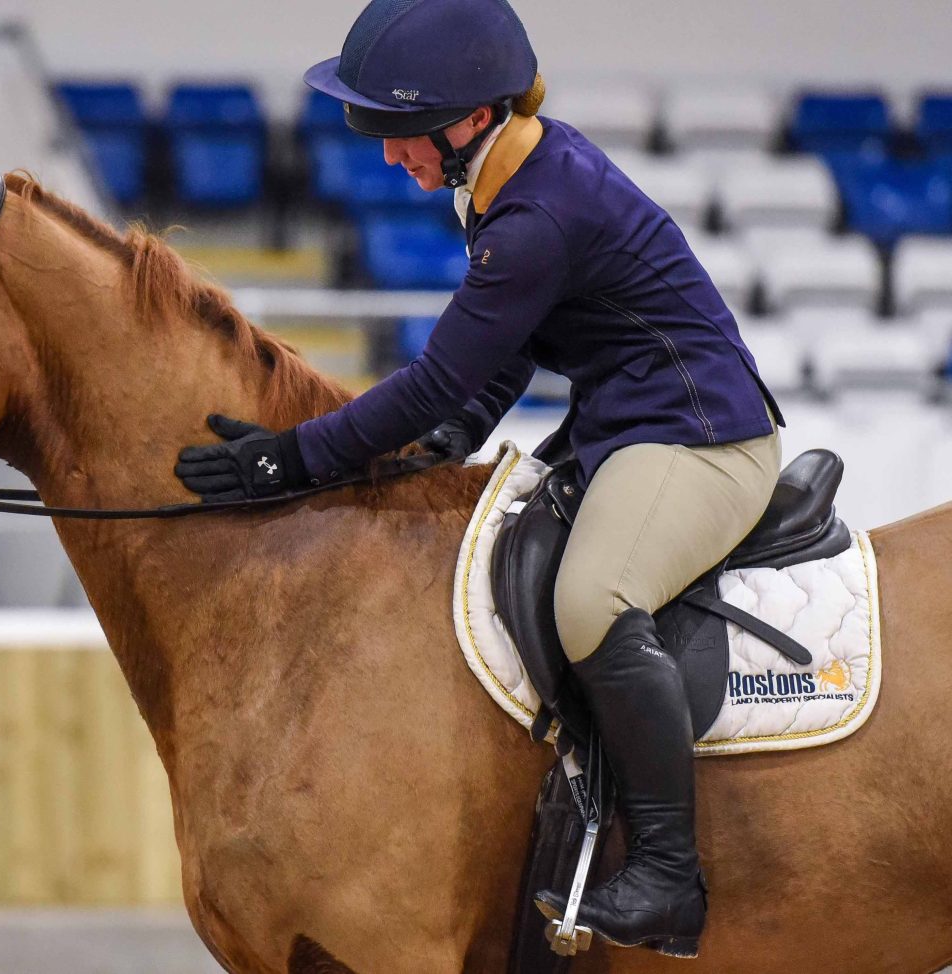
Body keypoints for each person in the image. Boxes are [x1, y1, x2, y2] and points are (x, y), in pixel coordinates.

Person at [171, 0, 783, 957]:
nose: (389, 156)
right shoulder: (515, 176)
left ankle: (669, 874)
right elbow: (507, 348)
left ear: (469, 119)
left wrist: (287, 459)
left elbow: (432, 380)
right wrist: (462, 429)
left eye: (401, 133)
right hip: (628, 424)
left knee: (591, 601)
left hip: (701, 439)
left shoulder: (535, 215)